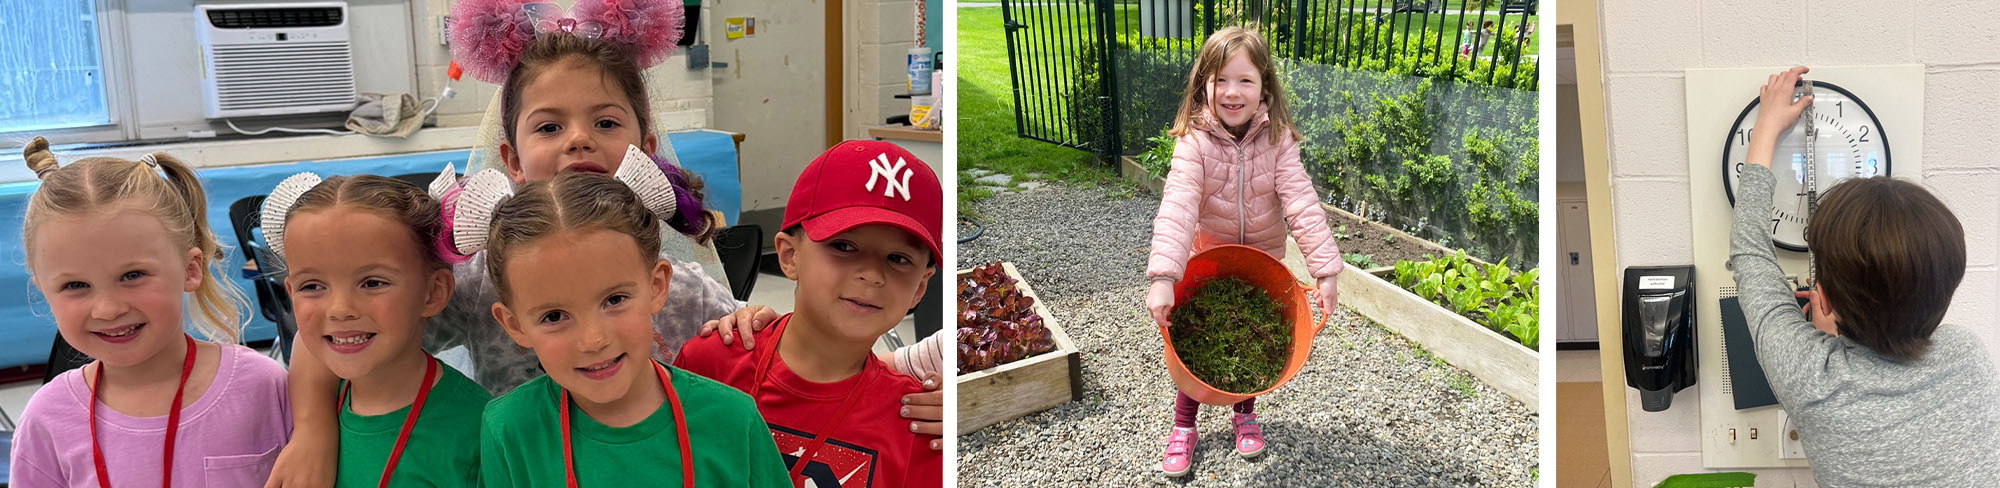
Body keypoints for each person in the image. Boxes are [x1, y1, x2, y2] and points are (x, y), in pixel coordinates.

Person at [1730, 66, 2000, 485]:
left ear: (1823, 299)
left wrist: (1764, 132)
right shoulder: (1970, 357)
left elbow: (1750, 256)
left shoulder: (1811, 378)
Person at [461, 163, 789, 486]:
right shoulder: (508, 430)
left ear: (657, 286)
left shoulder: (732, 419)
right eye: (554, 316)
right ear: (515, 325)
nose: (593, 340)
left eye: (614, 300)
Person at [11, 138, 291, 486]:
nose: (109, 308)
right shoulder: (47, 418)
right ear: (44, 292)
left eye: (132, 276)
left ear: (190, 269)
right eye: (75, 286)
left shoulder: (263, 387)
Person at [676, 141, 944, 487]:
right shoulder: (709, 364)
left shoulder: (918, 424)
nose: (873, 275)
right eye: (843, 246)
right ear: (789, 256)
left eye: (898, 259)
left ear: (920, 288)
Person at [1144, 26, 1343, 478]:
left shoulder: (1279, 141)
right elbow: (1177, 205)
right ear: (1204, 85)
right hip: (1209, 264)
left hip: (1262, 265)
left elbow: (1301, 203)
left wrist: (1325, 270)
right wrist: (1163, 278)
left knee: (1252, 339)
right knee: (1196, 345)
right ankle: (1183, 425)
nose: (1232, 92)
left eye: (1245, 80)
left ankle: (1243, 411)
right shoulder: (1194, 141)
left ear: (1264, 86)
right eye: (1220, 80)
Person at [264, 174, 490, 487]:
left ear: (433, 292)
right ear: (290, 293)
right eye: (312, 286)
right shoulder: (283, 413)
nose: (340, 309)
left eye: (373, 283)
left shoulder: (480, 431)